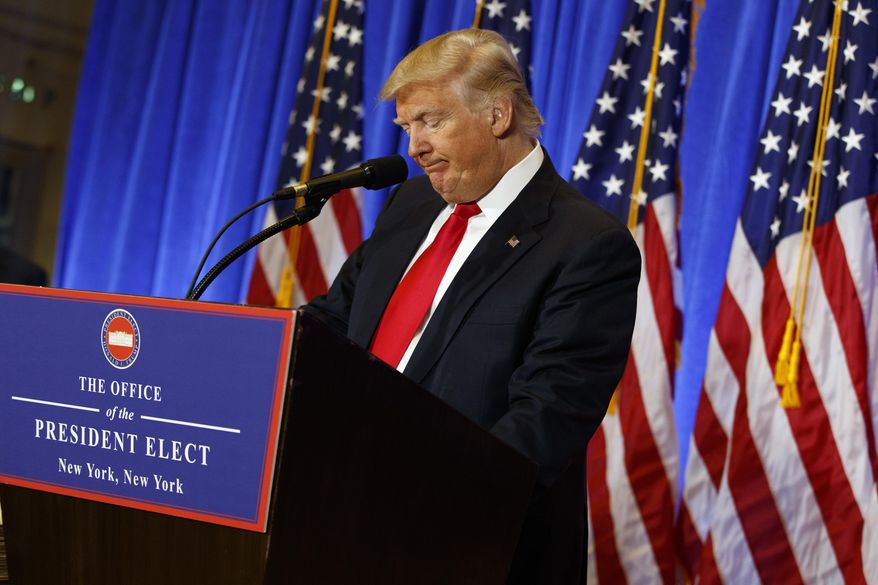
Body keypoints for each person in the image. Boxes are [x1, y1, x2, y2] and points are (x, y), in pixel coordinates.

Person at [308, 28, 640, 584]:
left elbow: (543, 422)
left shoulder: (586, 245)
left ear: (498, 115)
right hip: (343, 521)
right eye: (407, 128)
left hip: (469, 548)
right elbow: (335, 320)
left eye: (431, 121)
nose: (414, 147)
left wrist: (409, 499)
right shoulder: (412, 204)